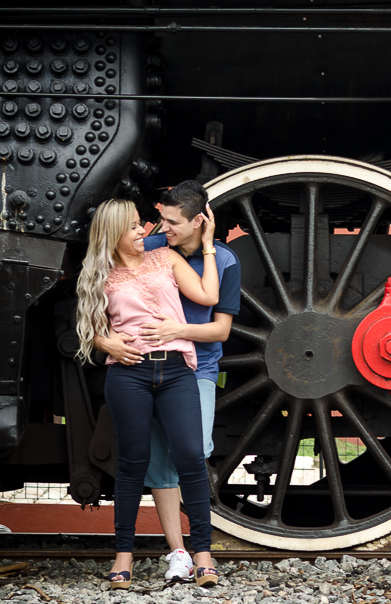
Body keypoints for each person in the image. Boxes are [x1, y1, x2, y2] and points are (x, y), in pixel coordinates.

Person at [94, 181, 241, 583]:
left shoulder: (219, 260)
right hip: (133, 370)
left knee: (193, 453)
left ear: (198, 222)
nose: (156, 227)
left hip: (192, 366)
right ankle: (173, 552)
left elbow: (219, 326)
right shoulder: (153, 245)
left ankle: (200, 552)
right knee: (144, 462)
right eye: (148, 222)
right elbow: (88, 316)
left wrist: (176, 331)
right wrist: (103, 338)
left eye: (168, 222)